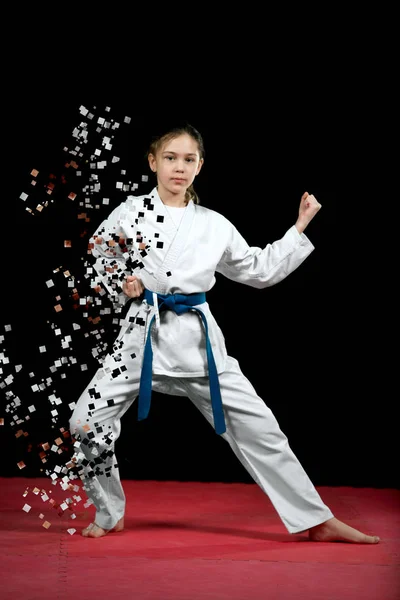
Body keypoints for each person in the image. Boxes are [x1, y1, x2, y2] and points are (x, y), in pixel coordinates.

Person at [69, 122, 379, 543]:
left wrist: (299, 228)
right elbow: (99, 258)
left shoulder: (213, 224)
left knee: (262, 427)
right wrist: (124, 280)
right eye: (171, 158)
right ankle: (109, 512)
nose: (179, 167)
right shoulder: (129, 213)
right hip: (141, 338)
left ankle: (315, 519)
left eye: (189, 159)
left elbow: (258, 269)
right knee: (86, 421)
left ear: (199, 166)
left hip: (199, 346)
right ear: (153, 162)